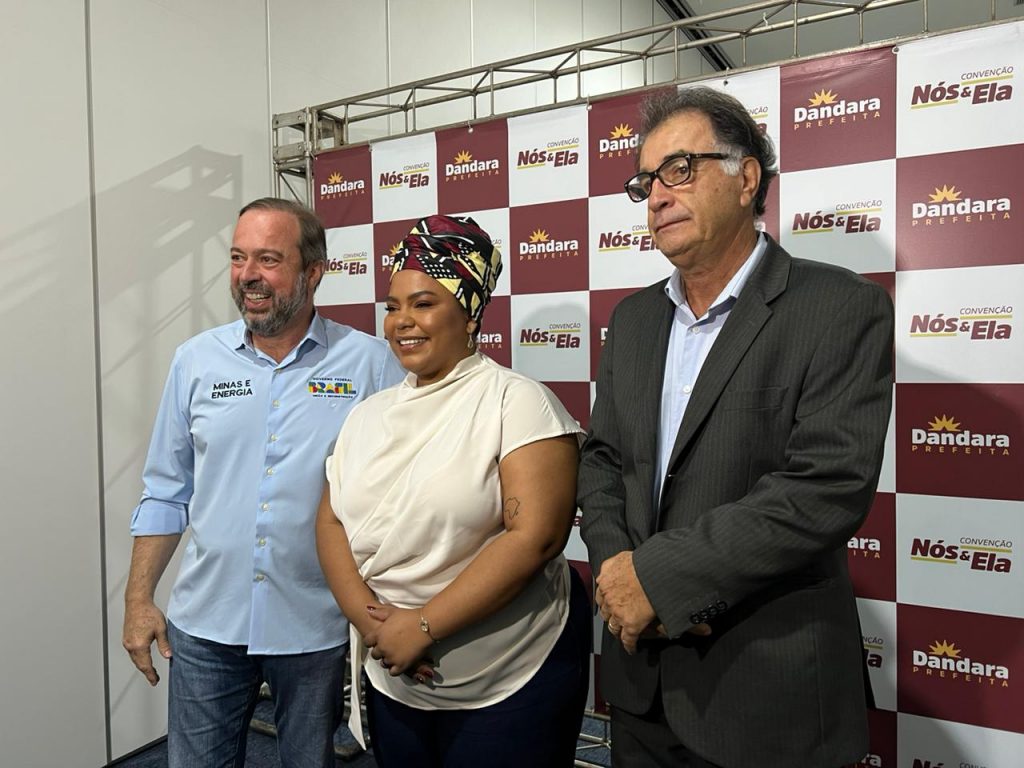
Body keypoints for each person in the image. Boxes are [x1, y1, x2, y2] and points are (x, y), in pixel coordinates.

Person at [578, 87, 894, 768]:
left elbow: (826, 488)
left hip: (765, 697)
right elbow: (603, 461)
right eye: (646, 180)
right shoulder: (632, 322)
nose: (657, 195)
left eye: (681, 169)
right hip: (639, 689)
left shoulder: (841, 307)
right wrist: (615, 574)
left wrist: (655, 579)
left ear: (747, 177)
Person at [122, 197, 406, 768]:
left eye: (269, 259)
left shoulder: (370, 364)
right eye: (238, 257)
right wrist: (138, 600)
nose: (248, 275)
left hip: (317, 625)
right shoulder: (195, 362)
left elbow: (401, 497)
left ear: (313, 273)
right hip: (206, 626)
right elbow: (165, 490)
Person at [316, 214, 591, 767]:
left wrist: (421, 627)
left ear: (469, 313)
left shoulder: (519, 403)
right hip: (395, 669)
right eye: (392, 306)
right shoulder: (368, 415)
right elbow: (331, 522)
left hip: (512, 673)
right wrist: (375, 626)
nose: (400, 322)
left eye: (423, 303)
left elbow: (535, 537)